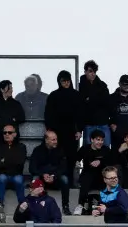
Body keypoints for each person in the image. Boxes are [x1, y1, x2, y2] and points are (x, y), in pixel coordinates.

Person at [45, 71, 81, 213]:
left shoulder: (76, 95)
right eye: (63, 81)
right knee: (57, 156)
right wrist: (49, 130)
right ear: (59, 81)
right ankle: (57, 179)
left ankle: (70, 181)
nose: (65, 83)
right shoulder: (53, 95)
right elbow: (48, 113)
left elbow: (80, 113)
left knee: (72, 157)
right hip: (57, 132)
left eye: (67, 80)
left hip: (71, 132)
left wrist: (79, 129)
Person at [75, 129, 118, 211]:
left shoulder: (106, 150)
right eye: (98, 140)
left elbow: (112, 163)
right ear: (92, 140)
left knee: (109, 178)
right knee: (86, 177)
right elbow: (76, 159)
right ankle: (80, 205)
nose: (100, 142)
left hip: (101, 178)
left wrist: (100, 162)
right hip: (87, 176)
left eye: (102, 140)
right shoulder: (85, 148)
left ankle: (109, 205)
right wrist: (77, 162)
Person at [30, 129, 69, 209]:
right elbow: (32, 168)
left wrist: (54, 176)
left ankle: (65, 206)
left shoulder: (60, 150)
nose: (56, 141)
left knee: (65, 179)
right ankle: (33, 206)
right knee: (35, 179)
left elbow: (63, 167)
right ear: (46, 140)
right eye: (53, 140)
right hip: (42, 178)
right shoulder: (37, 150)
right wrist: (43, 174)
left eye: (56, 139)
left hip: (55, 178)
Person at [79, 60, 112, 148]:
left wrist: (90, 99)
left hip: (103, 123)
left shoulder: (102, 85)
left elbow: (107, 102)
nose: (93, 74)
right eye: (90, 71)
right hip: (89, 124)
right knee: (88, 151)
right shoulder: (80, 86)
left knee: (105, 150)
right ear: (85, 71)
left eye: (94, 71)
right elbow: (81, 105)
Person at [0, 125, 28, 205]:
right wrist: (12, 160)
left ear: (15, 134)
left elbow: (20, 162)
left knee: (18, 180)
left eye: (10, 132)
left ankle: (22, 205)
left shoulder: (21, 147)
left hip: (16, 175)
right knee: (1, 178)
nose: (7, 134)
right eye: (5, 133)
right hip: (3, 175)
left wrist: (4, 161)